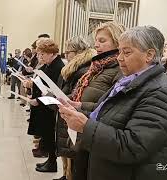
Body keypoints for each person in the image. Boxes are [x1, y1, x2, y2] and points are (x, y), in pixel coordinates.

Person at [58, 26, 167, 180]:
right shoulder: (130, 81)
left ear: (149, 55)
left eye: (127, 52)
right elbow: (109, 116)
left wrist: (85, 126)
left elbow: (133, 146)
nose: (119, 58)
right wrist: (79, 110)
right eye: (120, 51)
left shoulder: (159, 92)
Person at [67, 21, 125, 180]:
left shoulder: (119, 68)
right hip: (84, 127)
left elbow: (110, 105)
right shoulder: (98, 66)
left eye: (102, 40)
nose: (96, 45)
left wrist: (80, 106)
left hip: (97, 130)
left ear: (117, 41)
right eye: (96, 40)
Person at [54, 36, 96, 180]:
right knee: (67, 153)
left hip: (77, 111)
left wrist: (59, 97)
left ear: (79, 51)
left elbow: (77, 93)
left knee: (73, 154)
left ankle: (68, 175)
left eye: (69, 51)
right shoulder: (74, 67)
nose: (66, 55)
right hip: (69, 108)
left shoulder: (83, 68)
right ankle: (66, 174)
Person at [27, 38, 65, 173]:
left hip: (50, 107)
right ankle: (50, 161)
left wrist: (38, 100)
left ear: (51, 53)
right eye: (38, 54)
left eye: (42, 54)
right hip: (45, 105)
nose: (39, 57)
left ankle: (52, 163)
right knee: (47, 135)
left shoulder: (58, 66)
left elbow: (53, 90)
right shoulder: (49, 65)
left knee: (50, 135)